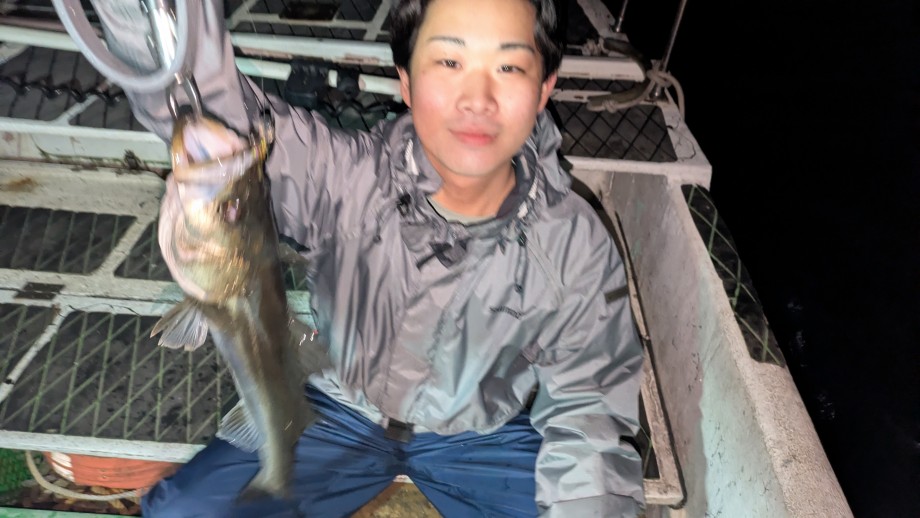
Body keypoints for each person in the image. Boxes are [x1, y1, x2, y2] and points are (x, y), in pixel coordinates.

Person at [96, 0, 645, 516]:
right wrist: (140, 21)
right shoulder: (345, 177)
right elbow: (213, 111)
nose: (476, 98)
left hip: (482, 438)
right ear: (407, 80)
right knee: (185, 510)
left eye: (508, 67)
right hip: (338, 412)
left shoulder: (575, 247)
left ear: (545, 87)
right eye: (449, 61)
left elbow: (590, 414)